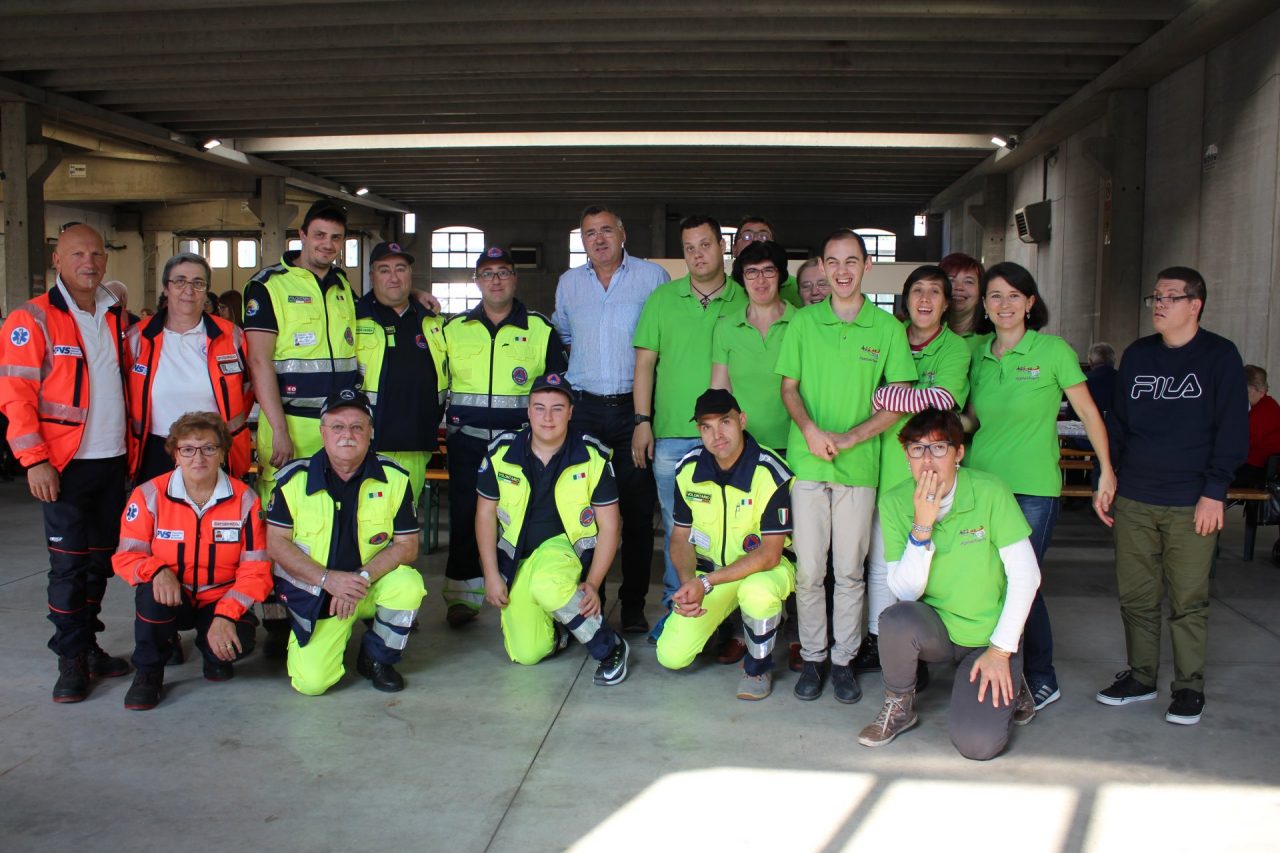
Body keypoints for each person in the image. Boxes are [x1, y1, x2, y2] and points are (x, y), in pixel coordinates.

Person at [1098, 267, 1248, 725]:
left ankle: (1188, 688)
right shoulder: (1139, 355)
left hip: (1191, 501)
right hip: (1135, 496)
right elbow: (1119, 423)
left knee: (1188, 601)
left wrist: (1214, 492)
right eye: (1155, 297)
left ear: (1194, 305)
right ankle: (1141, 677)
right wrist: (1110, 476)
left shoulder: (1220, 355)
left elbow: (1232, 430)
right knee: (1136, 596)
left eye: (1169, 297)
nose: (1158, 304)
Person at [965, 261, 1115, 713]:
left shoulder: (1052, 351)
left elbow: (1088, 413)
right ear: (984, 305)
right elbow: (972, 419)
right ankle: (996, 670)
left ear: (1030, 303)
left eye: (1014, 295)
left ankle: (1041, 678)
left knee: (1022, 581)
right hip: (982, 487)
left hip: (1033, 490)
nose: (1004, 304)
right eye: (995, 296)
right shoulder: (977, 353)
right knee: (990, 580)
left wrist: (1106, 470)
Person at [776, 228, 915, 704]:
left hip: (859, 468)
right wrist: (811, 431)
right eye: (832, 262)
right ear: (821, 266)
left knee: (851, 572)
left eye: (851, 261)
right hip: (809, 463)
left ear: (866, 265)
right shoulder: (804, 323)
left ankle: (843, 661)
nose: (841, 271)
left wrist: (852, 437)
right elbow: (789, 388)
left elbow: (899, 399)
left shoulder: (887, 329)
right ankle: (814, 657)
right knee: (810, 572)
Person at [858, 409, 1040, 759]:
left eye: (939, 448)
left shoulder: (990, 491)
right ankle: (899, 706)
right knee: (896, 619)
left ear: (959, 453)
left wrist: (1000, 651)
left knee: (978, 745)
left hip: (988, 637)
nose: (927, 460)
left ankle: (1015, 682)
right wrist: (922, 527)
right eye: (917, 449)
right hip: (937, 629)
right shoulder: (895, 501)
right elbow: (905, 592)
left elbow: (1026, 575)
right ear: (907, 457)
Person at [0, 223, 132, 702]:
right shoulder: (32, 318)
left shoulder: (114, 315)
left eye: (96, 254)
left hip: (113, 460)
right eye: (77, 254)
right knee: (69, 565)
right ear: (57, 259)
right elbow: (15, 396)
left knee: (100, 562)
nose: (88, 263)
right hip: (62, 465)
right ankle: (70, 659)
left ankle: (89, 644)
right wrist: (34, 460)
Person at [552, 205, 668, 635]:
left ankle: (633, 605)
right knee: (582, 511)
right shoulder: (568, 283)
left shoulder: (652, 278)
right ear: (582, 241)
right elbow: (563, 337)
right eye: (589, 233)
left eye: (606, 230)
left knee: (636, 513)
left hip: (632, 413)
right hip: (583, 412)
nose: (598, 239)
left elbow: (663, 341)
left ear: (622, 234)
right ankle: (590, 602)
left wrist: (644, 416)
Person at [475, 372, 630, 684]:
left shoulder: (592, 455)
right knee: (527, 653)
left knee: (547, 583)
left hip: (565, 551)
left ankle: (609, 646)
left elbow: (611, 526)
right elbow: (485, 515)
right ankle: (562, 629)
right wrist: (491, 574)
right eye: (539, 408)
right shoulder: (501, 451)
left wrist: (593, 582)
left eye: (557, 409)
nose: (548, 418)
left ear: (571, 412)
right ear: (528, 411)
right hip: (519, 559)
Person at [267, 389, 425, 695]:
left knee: (408, 585)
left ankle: (377, 658)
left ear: (370, 432)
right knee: (312, 684)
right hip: (317, 590)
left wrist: (359, 579)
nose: (347, 435)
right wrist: (328, 580)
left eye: (357, 427)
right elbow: (277, 544)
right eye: (338, 426)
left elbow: (407, 546)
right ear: (323, 432)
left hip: (367, 583)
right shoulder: (293, 480)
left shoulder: (395, 478)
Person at [632, 215, 745, 641]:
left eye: (706, 244)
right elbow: (645, 364)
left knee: (731, 528)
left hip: (728, 436)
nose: (698, 255)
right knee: (678, 528)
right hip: (672, 435)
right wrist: (642, 421)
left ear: (722, 246)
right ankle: (676, 609)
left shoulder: (743, 298)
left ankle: (728, 618)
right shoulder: (662, 299)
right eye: (690, 248)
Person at [442, 247, 567, 627]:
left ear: (515, 278)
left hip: (521, 446)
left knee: (527, 518)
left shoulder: (540, 329)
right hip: (467, 441)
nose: (495, 280)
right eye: (487, 273)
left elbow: (557, 388)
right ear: (476, 281)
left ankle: (528, 593)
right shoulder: (453, 329)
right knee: (465, 517)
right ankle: (462, 597)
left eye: (503, 272)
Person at [113, 412, 271, 709]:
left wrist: (226, 615)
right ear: (175, 455)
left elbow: (257, 569)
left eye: (209, 448)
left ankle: (210, 646)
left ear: (223, 453)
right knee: (150, 595)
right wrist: (157, 570)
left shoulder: (245, 500)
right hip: (172, 595)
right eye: (187, 449)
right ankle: (149, 672)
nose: (198, 458)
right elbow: (126, 556)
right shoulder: (148, 495)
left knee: (236, 647)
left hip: (219, 598)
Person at [859, 265, 972, 673]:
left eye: (935, 292)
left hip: (933, 478)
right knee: (881, 566)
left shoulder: (955, 348)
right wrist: (887, 397)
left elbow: (943, 401)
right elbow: (867, 392)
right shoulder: (889, 336)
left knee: (924, 567)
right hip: (885, 471)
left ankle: (918, 653)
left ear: (946, 303)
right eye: (917, 291)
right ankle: (879, 640)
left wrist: (886, 397)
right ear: (905, 299)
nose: (925, 299)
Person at [655, 389, 795, 700]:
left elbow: (770, 554)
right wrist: (689, 583)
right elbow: (680, 537)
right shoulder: (688, 469)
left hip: (764, 570)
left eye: (725, 422)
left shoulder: (770, 471)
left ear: (742, 421)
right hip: (714, 575)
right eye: (706, 426)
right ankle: (723, 626)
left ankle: (758, 668)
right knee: (671, 655)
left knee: (756, 593)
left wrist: (705, 582)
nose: (716, 435)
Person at [125, 253, 253, 484]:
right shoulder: (137, 338)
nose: (189, 290)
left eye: (198, 283)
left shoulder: (232, 336)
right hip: (155, 451)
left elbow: (249, 387)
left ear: (206, 290)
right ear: (166, 288)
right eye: (180, 281)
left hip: (214, 450)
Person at [354, 241, 448, 507]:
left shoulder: (433, 322)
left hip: (415, 442)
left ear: (410, 274)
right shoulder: (352, 317)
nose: (393, 277)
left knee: (406, 519)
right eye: (384, 270)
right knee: (363, 519)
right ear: (372, 276)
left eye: (401, 269)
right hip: (365, 443)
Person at [711, 240, 796, 455]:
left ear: (780, 274)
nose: (760, 280)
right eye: (751, 272)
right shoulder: (726, 327)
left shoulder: (802, 322)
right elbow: (720, 391)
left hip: (797, 443)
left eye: (768, 270)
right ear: (742, 278)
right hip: (743, 445)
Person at [730, 216, 803, 307]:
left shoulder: (798, 287)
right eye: (747, 236)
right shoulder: (723, 288)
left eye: (763, 236)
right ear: (734, 249)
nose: (755, 240)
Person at [1236, 365, 1280, 487]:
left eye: (1246, 391)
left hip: (1258, 471)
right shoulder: (1267, 406)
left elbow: (1242, 441)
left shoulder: (1265, 410)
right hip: (1256, 468)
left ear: (1259, 390)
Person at [939, 252, 983, 349]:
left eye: (969, 281)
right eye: (951, 280)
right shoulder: (922, 332)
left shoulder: (993, 338)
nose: (959, 287)